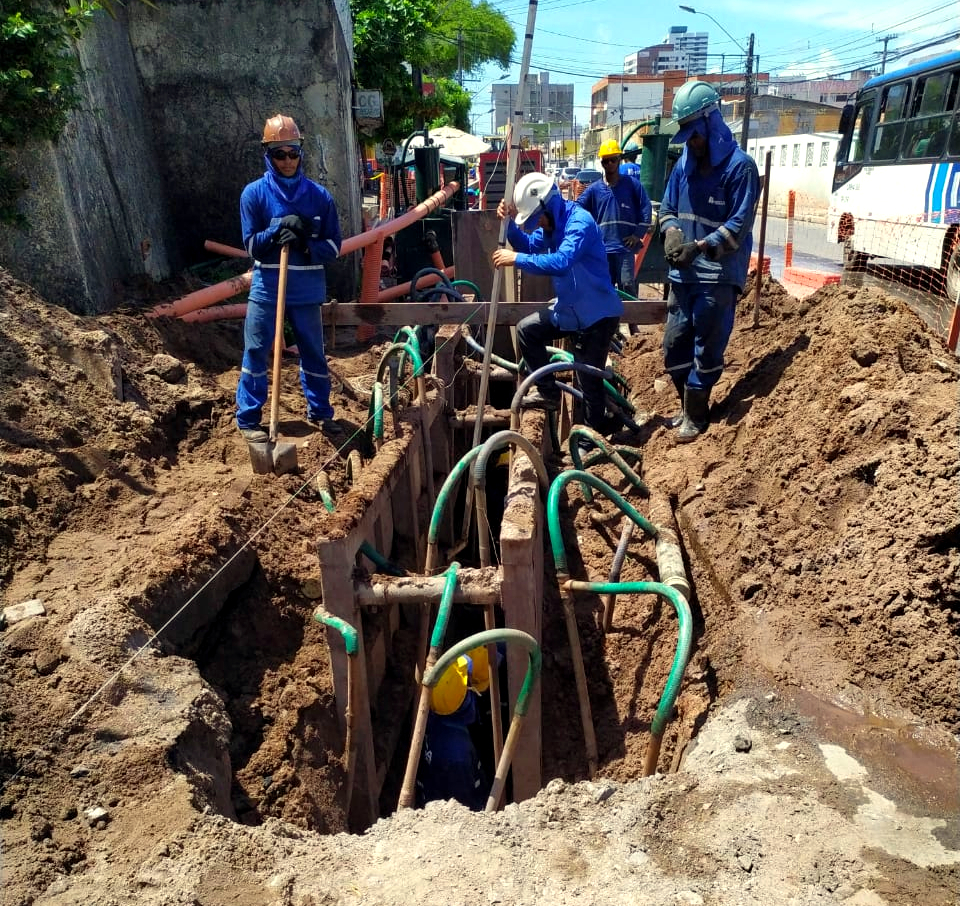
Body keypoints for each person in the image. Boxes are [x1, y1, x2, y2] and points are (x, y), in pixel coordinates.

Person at [659, 81, 760, 443]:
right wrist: (671, 231)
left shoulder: (740, 168)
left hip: (718, 275)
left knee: (708, 343)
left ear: (711, 124)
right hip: (683, 275)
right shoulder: (684, 164)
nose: (691, 143)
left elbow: (738, 226)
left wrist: (699, 247)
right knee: (674, 345)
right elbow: (668, 208)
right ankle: (684, 405)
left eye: (695, 136)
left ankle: (698, 415)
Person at [236, 113, 343, 443]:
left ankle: (321, 413)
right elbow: (252, 244)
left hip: (307, 289)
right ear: (267, 154)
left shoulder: (319, 197)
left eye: (293, 152)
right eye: (279, 154)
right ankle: (249, 417)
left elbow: (334, 246)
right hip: (268, 287)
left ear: (301, 152)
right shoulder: (253, 195)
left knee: (312, 351)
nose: (287, 161)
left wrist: (306, 245)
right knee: (256, 349)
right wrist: (276, 230)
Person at [491, 171, 625, 437]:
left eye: (537, 217)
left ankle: (593, 436)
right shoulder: (551, 227)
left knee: (589, 376)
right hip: (570, 310)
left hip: (598, 315)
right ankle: (548, 393)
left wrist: (514, 258)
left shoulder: (579, 223)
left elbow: (562, 262)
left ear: (548, 205)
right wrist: (509, 224)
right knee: (527, 330)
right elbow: (530, 245)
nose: (537, 223)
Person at [575, 138, 652, 299]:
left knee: (627, 286)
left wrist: (638, 234)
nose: (610, 164)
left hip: (624, 249)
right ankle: (610, 324)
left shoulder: (632, 185)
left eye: (613, 160)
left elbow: (646, 208)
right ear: (602, 163)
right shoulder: (595, 190)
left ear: (619, 160)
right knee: (604, 290)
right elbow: (577, 208)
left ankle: (632, 322)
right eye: (606, 161)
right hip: (603, 250)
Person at [416, 654, 488, 811]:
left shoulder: (435, 712)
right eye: (467, 685)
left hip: (433, 787)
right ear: (462, 699)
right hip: (455, 805)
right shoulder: (457, 754)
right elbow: (464, 808)